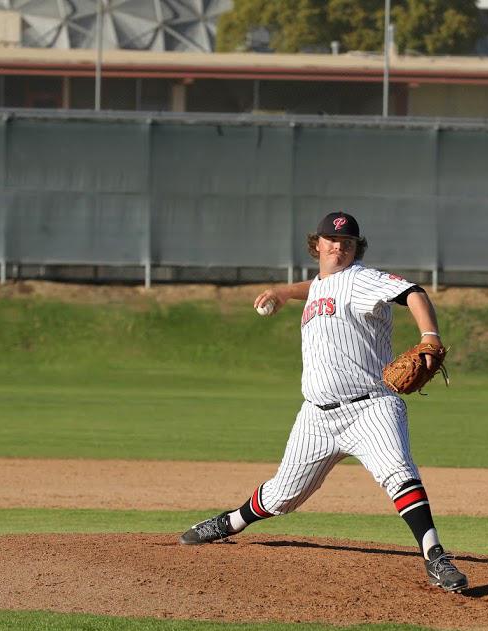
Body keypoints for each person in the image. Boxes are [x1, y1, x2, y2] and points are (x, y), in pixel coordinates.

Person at [179, 211, 468, 592]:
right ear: (317, 245)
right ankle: (230, 521)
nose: (339, 246)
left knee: (399, 473)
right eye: (332, 240)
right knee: (283, 495)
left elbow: (413, 292)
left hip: (370, 407)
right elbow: (316, 287)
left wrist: (429, 335)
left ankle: (435, 556)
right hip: (316, 416)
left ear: (355, 248)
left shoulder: (364, 279)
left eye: (347, 242)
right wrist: (284, 291)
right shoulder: (320, 284)